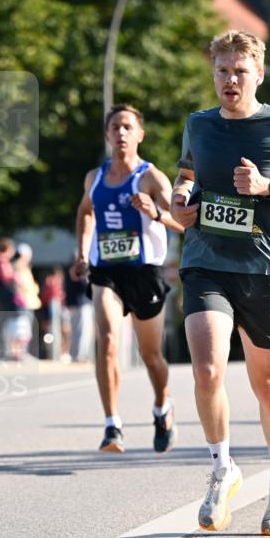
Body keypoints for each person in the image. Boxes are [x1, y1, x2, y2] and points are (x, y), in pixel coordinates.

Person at [171, 30, 270, 536]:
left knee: (267, 384)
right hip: (206, 262)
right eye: (222, 71)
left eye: (239, 71)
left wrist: (268, 187)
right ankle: (221, 470)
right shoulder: (198, 124)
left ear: (258, 73)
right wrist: (182, 197)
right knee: (208, 368)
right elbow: (187, 172)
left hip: (263, 270)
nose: (230, 80)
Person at [70, 103, 183, 454]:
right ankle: (112, 425)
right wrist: (82, 253)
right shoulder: (95, 177)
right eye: (115, 127)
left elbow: (184, 221)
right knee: (107, 341)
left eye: (127, 127)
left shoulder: (152, 178)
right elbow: (86, 213)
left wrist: (156, 212)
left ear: (139, 135)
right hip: (107, 271)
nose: (121, 133)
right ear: (107, 135)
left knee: (151, 356)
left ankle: (162, 407)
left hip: (145, 272)